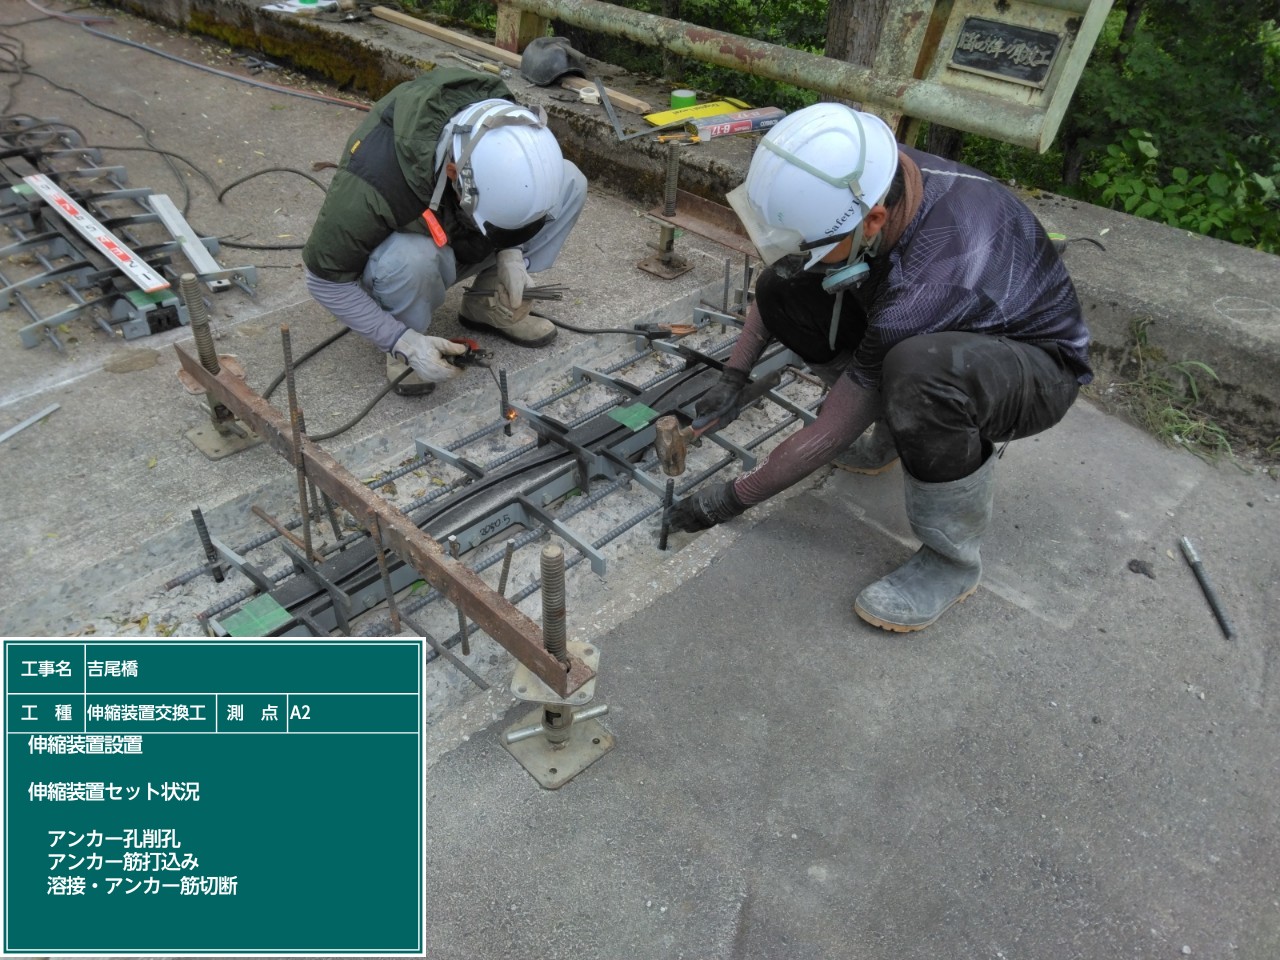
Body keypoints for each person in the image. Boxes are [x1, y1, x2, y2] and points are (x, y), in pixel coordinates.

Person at [669, 103, 1092, 633]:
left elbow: (831, 430)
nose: (801, 252)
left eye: (813, 244)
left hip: (1034, 369)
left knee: (919, 373)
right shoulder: (872, 170)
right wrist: (734, 375)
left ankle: (951, 562)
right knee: (786, 287)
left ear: (872, 220)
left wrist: (724, 502)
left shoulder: (928, 285)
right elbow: (784, 272)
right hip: (944, 320)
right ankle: (892, 437)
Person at [303, 68, 587, 396]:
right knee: (412, 257)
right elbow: (323, 281)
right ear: (454, 173)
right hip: (404, 265)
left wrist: (512, 256)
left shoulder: (505, 127)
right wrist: (400, 341)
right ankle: (408, 343)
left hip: (458, 235)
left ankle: (488, 302)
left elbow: (520, 193)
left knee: (570, 180)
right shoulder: (373, 180)